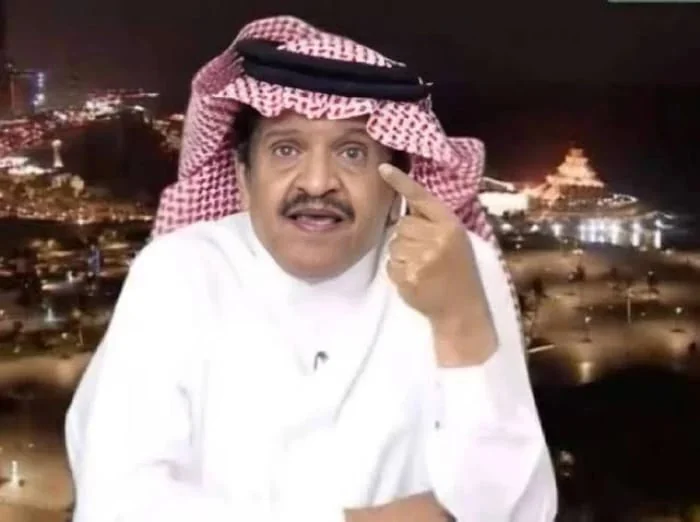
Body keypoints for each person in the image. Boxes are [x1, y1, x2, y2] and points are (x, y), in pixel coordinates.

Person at [65, 16, 557, 522]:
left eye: (352, 152)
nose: (318, 182)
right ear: (242, 178)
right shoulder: (179, 272)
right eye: (286, 149)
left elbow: (523, 508)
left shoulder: (455, 266)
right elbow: (116, 505)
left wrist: (460, 323)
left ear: (397, 186)